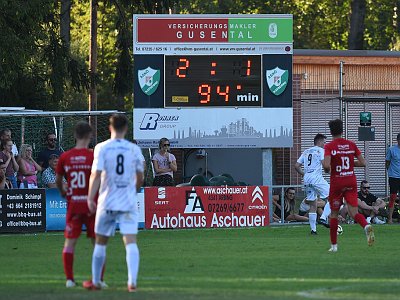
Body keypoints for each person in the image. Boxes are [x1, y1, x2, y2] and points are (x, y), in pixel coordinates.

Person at [83, 114, 144, 292]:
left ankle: (95, 281)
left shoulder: (101, 148)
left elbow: (96, 174)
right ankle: (132, 282)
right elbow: (140, 177)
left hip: (107, 201)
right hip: (127, 202)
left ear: (110, 128)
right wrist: (132, 190)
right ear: (125, 128)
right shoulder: (134, 149)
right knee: (130, 241)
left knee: (101, 242)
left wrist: (89, 197)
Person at [56, 121, 106, 288]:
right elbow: (101, 179)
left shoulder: (65, 157)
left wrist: (64, 192)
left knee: (70, 242)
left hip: (74, 205)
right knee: (97, 243)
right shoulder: (93, 157)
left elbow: (58, 180)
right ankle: (98, 280)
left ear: (75, 136)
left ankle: (70, 280)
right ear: (90, 136)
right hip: (92, 205)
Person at [323, 119, 374, 252]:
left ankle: (334, 246)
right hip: (351, 180)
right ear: (342, 130)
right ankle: (366, 226)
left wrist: (328, 167)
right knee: (354, 212)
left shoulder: (329, 146)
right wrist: (350, 165)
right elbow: (363, 163)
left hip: (337, 182)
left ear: (331, 131)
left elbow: (327, 166)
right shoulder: (351, 144)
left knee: (334, 214)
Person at [295, 133, 331, 234]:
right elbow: (325, 166)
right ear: (319, 141)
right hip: (316, 179)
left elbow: (296, 166)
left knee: (313, 204)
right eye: (324, 142)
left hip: (307, 179)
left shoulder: (306, 151)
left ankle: (313, 230)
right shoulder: (321, 150)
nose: (325, 144)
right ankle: (323, 217)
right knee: (334, 196)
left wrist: (304, 174)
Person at [385, 133, 400, 224]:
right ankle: (390, 218)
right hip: (394, 176)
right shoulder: (391, 150)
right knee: (393, 197)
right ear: (397, 140)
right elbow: (387, 162)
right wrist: (390, 172)